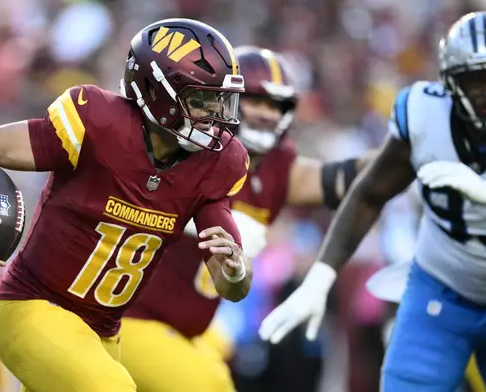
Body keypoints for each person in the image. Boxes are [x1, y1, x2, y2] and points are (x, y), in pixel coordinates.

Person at [0, 18, 252, 392]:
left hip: (102, 334)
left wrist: (235, 270)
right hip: (34, 306)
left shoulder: (218, 164)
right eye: (202, 100)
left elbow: (231, 285)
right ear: (158, 92)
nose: (216, 117)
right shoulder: (97, 121)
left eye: (220, 100)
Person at [259, 11, 486, 391]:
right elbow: (369, 194)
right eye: (475, 81)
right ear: (449, 83)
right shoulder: (423, 114)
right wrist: (320, 277)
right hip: (441, 293)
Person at [118, 45, 371, 392]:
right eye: (255, 100)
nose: (266, 114)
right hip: (130, 312)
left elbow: (353, 178)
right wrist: (194, 223)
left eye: (275, 105)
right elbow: (130, 192)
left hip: (191, 325)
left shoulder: (281, 168)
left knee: (225, 361)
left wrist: (408, 147)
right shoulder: (189, 146)